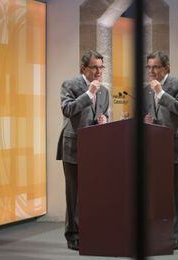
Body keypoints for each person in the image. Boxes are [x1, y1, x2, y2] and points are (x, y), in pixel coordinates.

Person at [56, 50, 109, 251]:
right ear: (83, 68)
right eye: (94, 67)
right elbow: (68, 110)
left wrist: (103, 119)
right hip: (74, 148)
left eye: (101, 67)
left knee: (92, 193)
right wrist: (89, 94)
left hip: (95, 149)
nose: (98, 71)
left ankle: (91, 231)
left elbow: (102, 113)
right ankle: (73, 236)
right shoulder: (70, 85)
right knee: (74, 194)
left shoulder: (104, 91)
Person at [144, 51, 178, 250]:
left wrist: (161, 93)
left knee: (176, 195)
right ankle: (158, 234)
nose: (152, 71)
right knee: (156, 194)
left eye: (155, 67)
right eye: (149, 67)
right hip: (155, 149)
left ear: (166, 68)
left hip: (176, 147)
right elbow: (150, 114)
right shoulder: (145, 88)